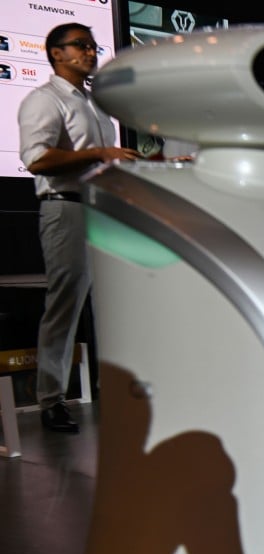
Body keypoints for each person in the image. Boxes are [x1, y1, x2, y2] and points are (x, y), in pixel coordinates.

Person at [18, 23, 142, 433]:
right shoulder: (44, 100)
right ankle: (51, 398)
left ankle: (118, 385)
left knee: (115, 304)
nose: (90, 53)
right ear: (56, 53)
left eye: (92, 46)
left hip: (104, 210)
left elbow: (102, 160)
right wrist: (99, 152)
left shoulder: (94, 104)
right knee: (65, 305)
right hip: (66, 208)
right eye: (80, 46)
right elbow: (37, 159)